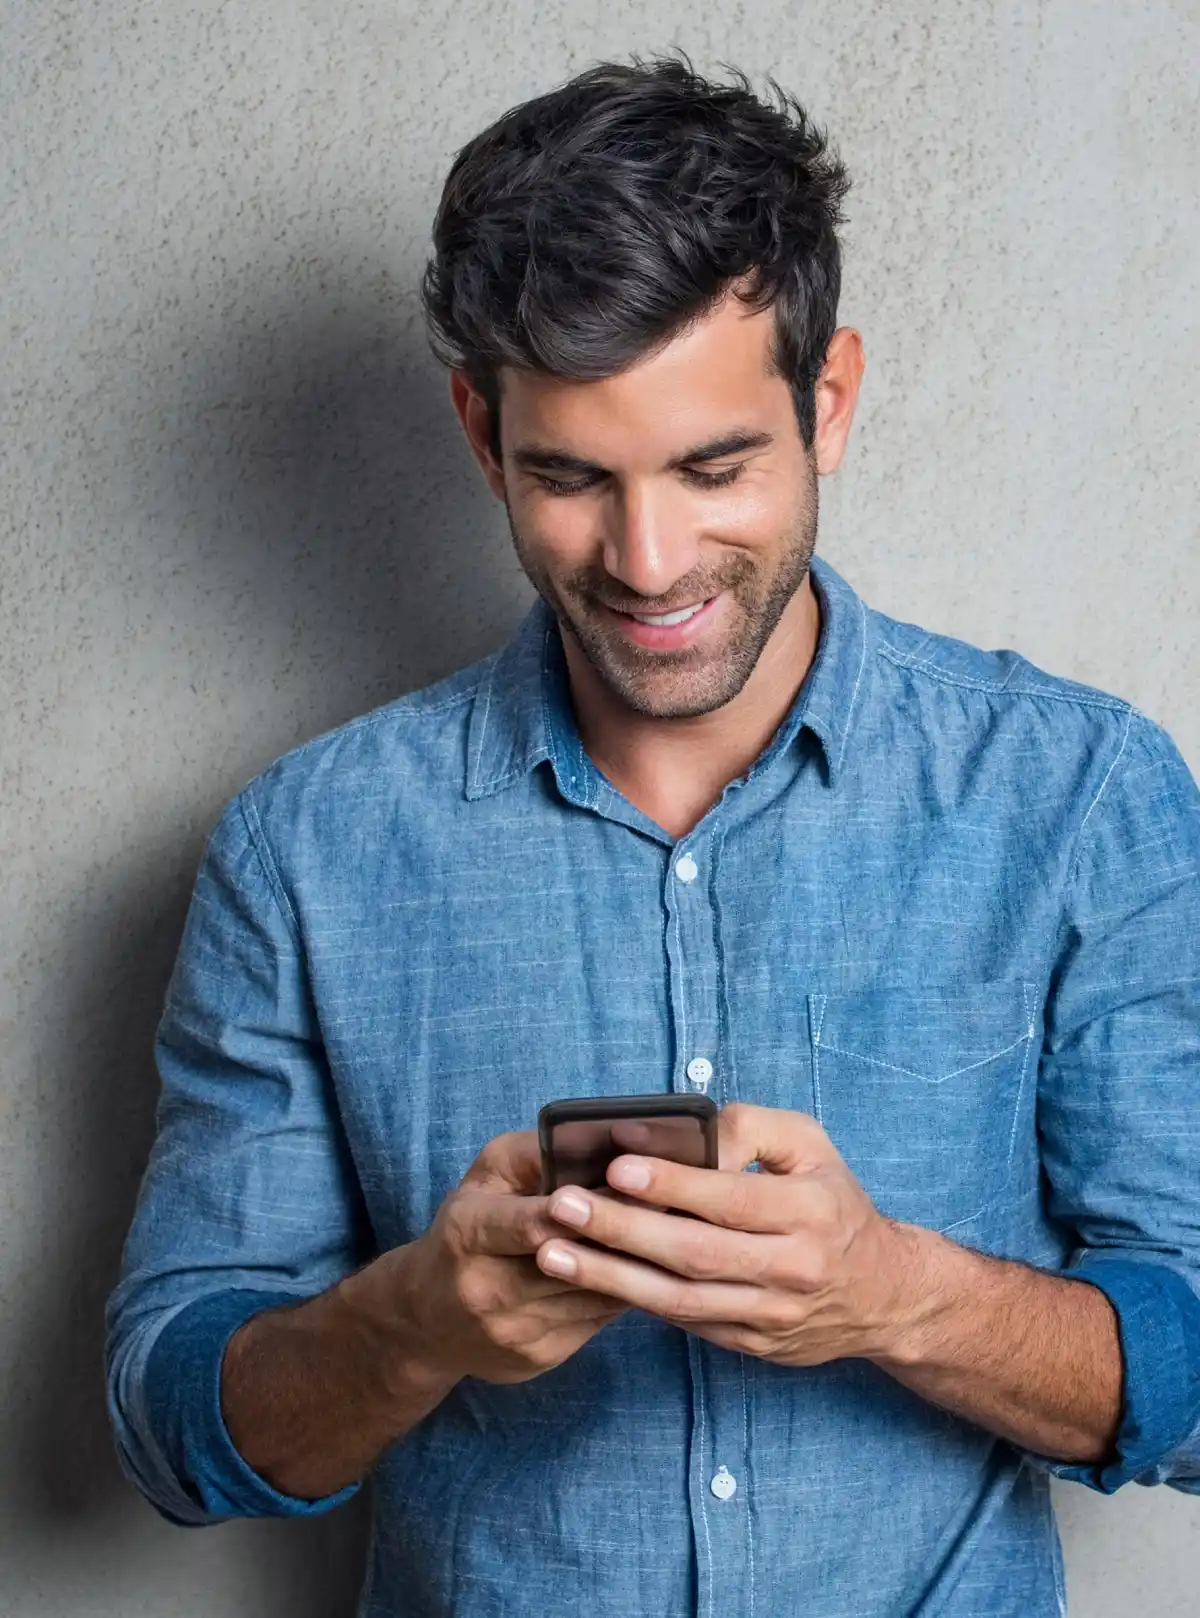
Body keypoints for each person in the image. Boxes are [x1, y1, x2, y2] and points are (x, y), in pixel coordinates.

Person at [105, 54, 1200, 1617]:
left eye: (714, 465)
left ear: (827, 402)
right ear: (482, 435)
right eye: (569, 476)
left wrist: (894, 1295)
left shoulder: (1080, 795)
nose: (648, 558)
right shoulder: (306, 850)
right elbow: (169, 1426)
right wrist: (414, 1320)